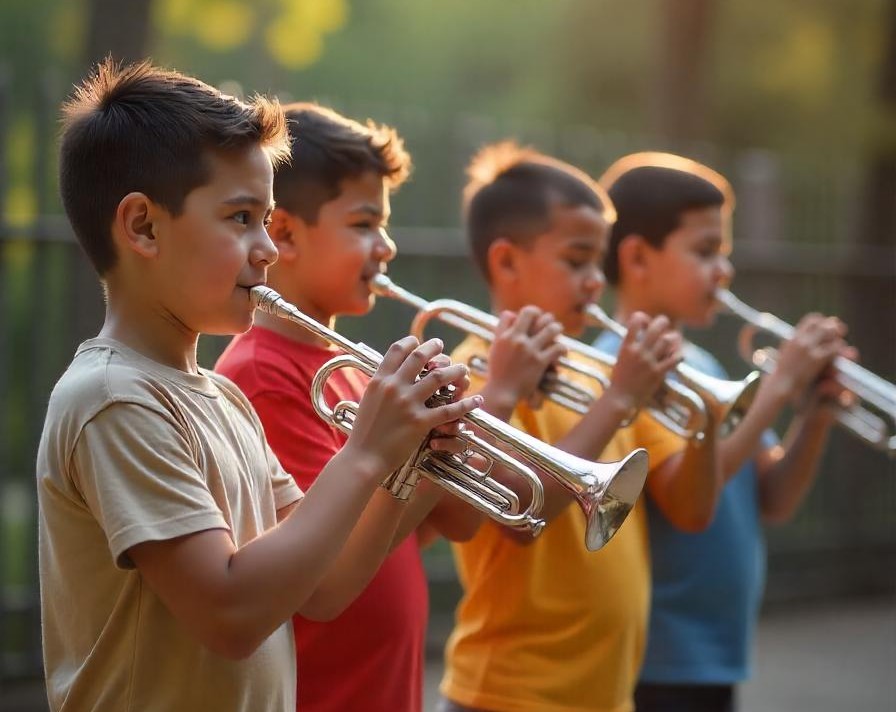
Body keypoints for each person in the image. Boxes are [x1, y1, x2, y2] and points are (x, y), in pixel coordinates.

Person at [36, 59, 481, 712]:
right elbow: (231, 615)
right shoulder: (113, 399)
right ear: (143, 227)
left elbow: (324, 587)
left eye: (267, 219)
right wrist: (365, 451)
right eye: (241, 218)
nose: (266, 248)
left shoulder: (223, 399)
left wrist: (412, 458)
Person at [437, 141, 730, 712]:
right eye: (576, 261)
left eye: (599, 262)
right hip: (508, 692)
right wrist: (622, 397)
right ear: (506, 262)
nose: (596, 281)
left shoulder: (596, 373)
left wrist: (708, 413)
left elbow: (693, 511)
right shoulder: (476, 370)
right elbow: (521, 518)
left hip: (606, 693)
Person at [215, 102, 484, 712]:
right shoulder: (263, 372)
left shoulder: (358, 374)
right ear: (283, 234)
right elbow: (324, 571)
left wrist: (446, 444)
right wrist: (406, 460)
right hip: (327, 692)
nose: (385, 246)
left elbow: (458, 525)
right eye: (364, 225)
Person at [596, 152, 850, 712]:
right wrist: (779, 387)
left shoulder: (706, 365)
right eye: (706, 252)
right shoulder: (619, 367)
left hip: (716, 651)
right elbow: (687, 497)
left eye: (725, 253)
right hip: (661, 656)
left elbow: (774, 497)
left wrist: (816, 413)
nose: (723, 271)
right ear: (638, 257)